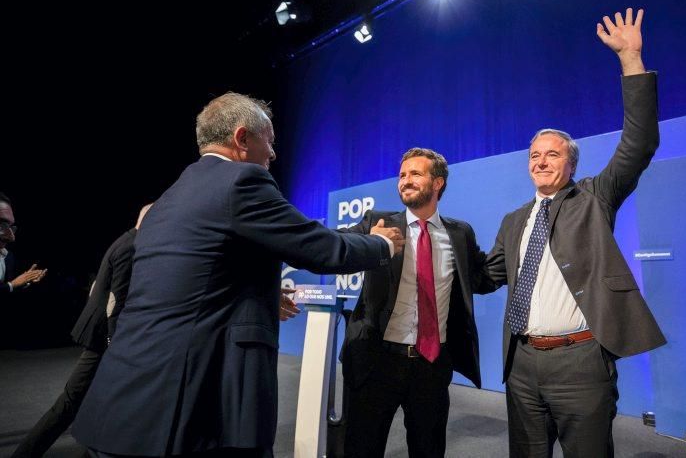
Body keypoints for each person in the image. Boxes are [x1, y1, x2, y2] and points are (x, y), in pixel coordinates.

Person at [71, 92, 404, 458]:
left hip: (125, 398)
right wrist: (381, 244)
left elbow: (189, 278)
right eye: (270, 141)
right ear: (242, 138)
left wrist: (254, 291)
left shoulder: (169, 198)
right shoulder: (241, 182)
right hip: (192, 403)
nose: (274, 154)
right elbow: (323, 249)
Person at [481, 8, 666, 458]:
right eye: (533, 155)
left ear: (572, 164)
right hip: (522, 364)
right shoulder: (514, 220)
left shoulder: (594, 198)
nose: (540, 161)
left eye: (551, 154)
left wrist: (630, 60)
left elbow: (639, 144)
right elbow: (486, 277)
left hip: (581, 362)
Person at [341, 147, 488, 458]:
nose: (405, 181)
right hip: (376, 361)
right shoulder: (376, 223)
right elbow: (335, 248)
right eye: (402, 175)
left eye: (415, 174)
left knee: (428, 450)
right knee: (361, 449)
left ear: (437, 183)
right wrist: (370, 243)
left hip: (431, 366)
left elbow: (484, 276)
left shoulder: (459, 233)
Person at [12, 204, 151, 458]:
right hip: (103, 337)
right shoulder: (132, 247)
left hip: (99, 332)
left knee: (102, 400)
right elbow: (115, 300)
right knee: (70, 403)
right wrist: (114, 342)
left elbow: (98, 285)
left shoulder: (126, 239)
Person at [0, 192, 46, 296]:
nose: (11, 238)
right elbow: (10, 285)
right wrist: (12, 285)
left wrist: (25, 280)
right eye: (1, 224)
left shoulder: (8, 257)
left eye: (11, 227)